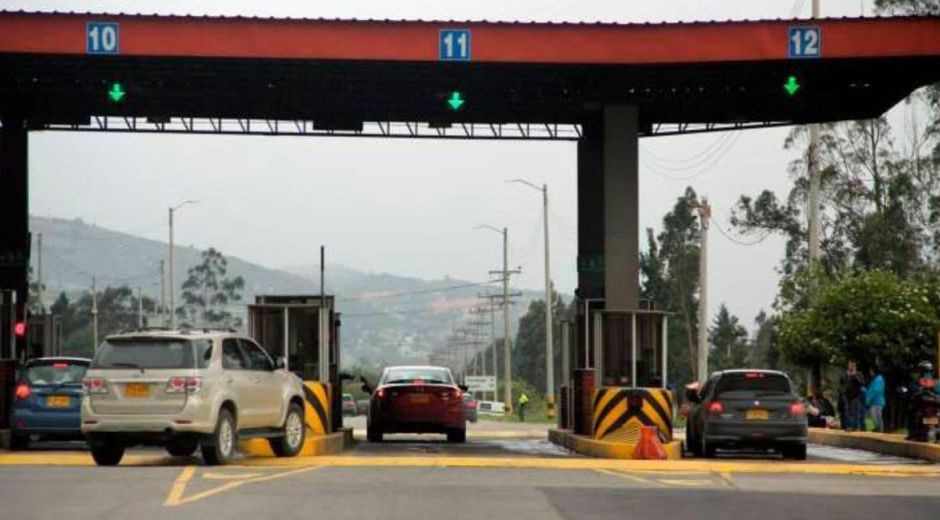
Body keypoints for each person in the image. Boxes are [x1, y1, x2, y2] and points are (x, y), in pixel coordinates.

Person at [839, 361, 866, 431]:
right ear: (848, 366)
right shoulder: (844, 374)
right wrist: (843, 392)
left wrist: (854, 375)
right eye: (850, 365)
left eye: (853, 365)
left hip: (855, 396)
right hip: (846, 396)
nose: (851, 367)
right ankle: (848, 426)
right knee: (847, 411)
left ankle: (855, 427)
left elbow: (861, 383)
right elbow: (841, 384)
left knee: (854, 411)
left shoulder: (859, 374)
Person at [865, 365, 886, 433]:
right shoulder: (876, 379)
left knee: (877, 417)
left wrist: (868, 399)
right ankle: (878, 429)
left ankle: (879, 429)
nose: (870, 373)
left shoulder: (878, 379)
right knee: (874, 416)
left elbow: (875, 390)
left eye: (870, 371)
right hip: (874, 401)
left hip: (877, 401)